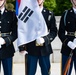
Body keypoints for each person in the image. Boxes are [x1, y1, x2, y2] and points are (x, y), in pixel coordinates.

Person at [18, 0, 57, 75]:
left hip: (45, 49)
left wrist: (45, 39)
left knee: (46, 73)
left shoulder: (49, 14)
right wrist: (22, 46)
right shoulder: (28, 12)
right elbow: (22, 29)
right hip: (31, 49)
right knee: (30, 73)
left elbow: (53, 31)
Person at [58, 0, 76, 75]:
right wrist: (68, 42)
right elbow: (61, 32)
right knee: (65, 72)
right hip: (68, 48)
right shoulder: (66, 14)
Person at [0, 0, 17, 75]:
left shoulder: (11, 14)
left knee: (8, 73)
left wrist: (5, 40)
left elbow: (15, 33)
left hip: (7, 49)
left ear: (4, 1)